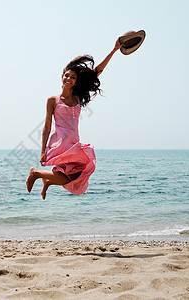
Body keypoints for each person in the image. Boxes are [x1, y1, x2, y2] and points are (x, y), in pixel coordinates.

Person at [26, 38, 123, 200]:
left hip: (73, 142)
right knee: (78, 172)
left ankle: (47, 180)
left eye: (72, 77)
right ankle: (36, 173)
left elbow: (97, 71)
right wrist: (42, 151)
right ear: (62, 77)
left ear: (76, 81)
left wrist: (114, 50)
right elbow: (47, 127)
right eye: (66, 75)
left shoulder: (78, 98)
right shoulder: (53, 100)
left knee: (75, 176)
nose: (68, 78)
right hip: (61, 143)